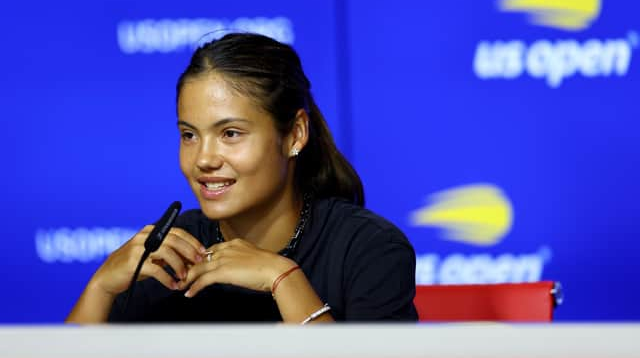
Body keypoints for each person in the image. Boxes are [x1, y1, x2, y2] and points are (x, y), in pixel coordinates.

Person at [66, 33, 418, 323]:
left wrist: (282, 278)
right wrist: (101, 287)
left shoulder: (369, 248)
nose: (203, 159)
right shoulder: (170, 253)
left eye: (231, 133)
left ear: (294, 134)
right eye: (189, 135)